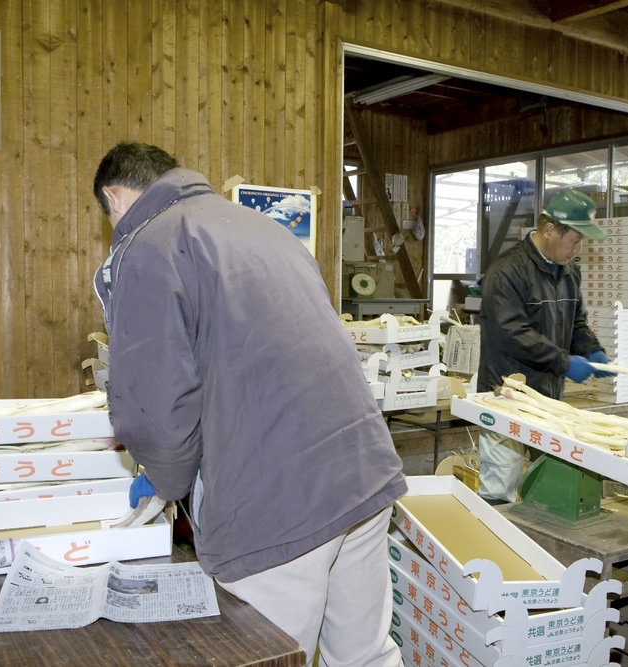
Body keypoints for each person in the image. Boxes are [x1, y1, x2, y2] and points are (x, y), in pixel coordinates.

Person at [92, 142, 406, 666]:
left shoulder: (150, 243)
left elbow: (154, 409)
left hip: (279, 503)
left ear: (115, 197)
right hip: (363, 472)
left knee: (271, 656)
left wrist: (164, 479)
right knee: (365, 655)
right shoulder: (264, 228)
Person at [476, 189, 613, 504]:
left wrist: (591, 350)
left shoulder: (569, 271)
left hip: (547, 395)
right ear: (550, 229)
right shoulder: (507, 270)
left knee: (547, 479)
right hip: (506, 393)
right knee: (502, 482)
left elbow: (576, 322)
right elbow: (511, 332)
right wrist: (564, 363)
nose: (577, 249)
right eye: (574, 240)